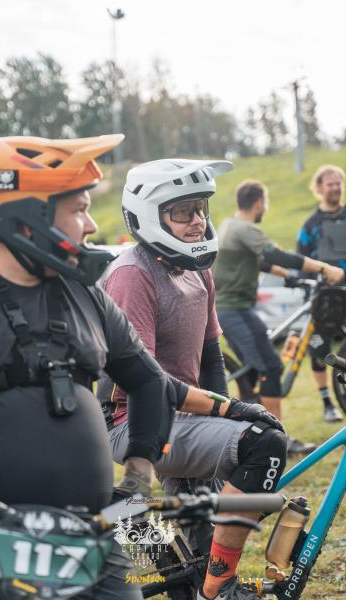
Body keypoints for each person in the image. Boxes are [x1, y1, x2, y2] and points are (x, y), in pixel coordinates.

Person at [0, 134, 182, 600]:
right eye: (79, 210)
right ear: (27, 217)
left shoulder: (87, 295)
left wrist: (138, 476)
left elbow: (149, 381)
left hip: (90, 533)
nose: (91, 225)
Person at [98, 159, 288, 600]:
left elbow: (211, 359)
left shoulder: (197, 268)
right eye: (182, 211)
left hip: (183, 416)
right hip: (134, 422)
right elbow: (145, 383)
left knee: (193, 568)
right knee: (264, 443)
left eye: (200, 208)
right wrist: (232, 411)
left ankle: (148, 535)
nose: (198, 221)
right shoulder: (133, 275)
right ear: (149, 215)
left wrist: (223, 417)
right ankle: (221, 586)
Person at [213, 179, 344, 454]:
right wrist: (324, 268)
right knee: (271, 368)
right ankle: (277, 441)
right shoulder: (246, 228)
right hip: (235, 309)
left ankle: (253, 435)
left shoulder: (229, 225)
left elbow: (261, 262)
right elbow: (275, 255)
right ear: (259, 202)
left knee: (252, 373)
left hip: (229, 309)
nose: (266, 207)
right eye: (266, 202)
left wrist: (290, 278)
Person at [297, 165, 346, 422]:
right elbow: (301, 260)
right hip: (323, 298)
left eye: (338, 183)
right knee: (319, 349)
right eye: (330, 184)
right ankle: (327, 403)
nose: (336, 188)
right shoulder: (311, 225)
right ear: (319, 187)